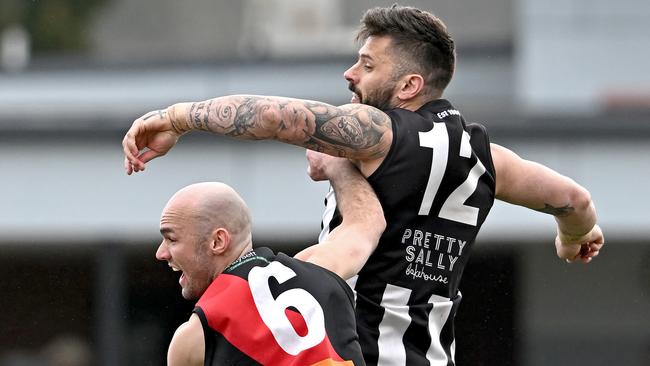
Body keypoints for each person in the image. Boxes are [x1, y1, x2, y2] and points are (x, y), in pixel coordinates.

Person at [122, 4, 605, 365]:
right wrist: (575, 236)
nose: (350, 75)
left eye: (368, 65)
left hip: (359, 354)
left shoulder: (378, 133)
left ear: (409, 86)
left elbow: (272, 116)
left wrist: (177, 118)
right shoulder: (485, 157)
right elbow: (574, 199)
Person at [156, 158, 385, 365]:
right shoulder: (317, 268)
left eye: (171, 239)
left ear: (218, 241)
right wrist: (336, 164)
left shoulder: (196, 337)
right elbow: (367, 224)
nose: (161, 253)